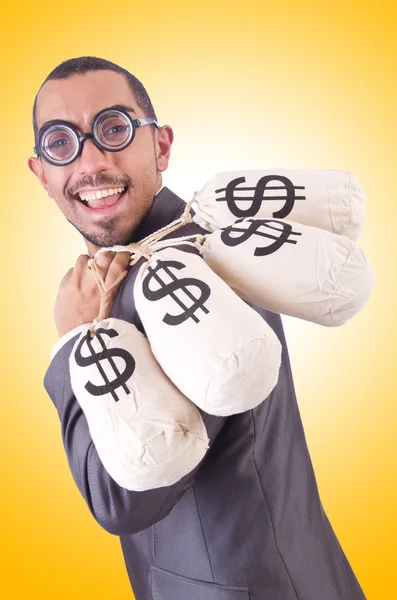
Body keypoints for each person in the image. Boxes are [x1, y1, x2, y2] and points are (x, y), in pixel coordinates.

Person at [28, 56, 367, 600]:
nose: (89, 159)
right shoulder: (152, 256)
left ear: (160, 147)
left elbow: (126, 494)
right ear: (42, 171)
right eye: (61, 141)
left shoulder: (189, 271)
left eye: (113, 128)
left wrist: (73, 342)